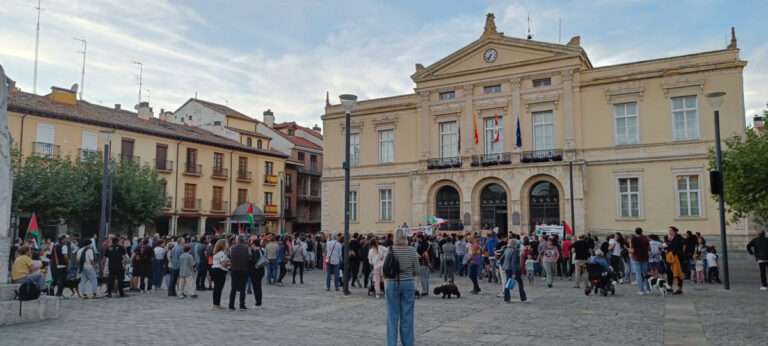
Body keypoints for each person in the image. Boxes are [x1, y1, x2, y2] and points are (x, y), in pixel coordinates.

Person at [384, 228, 419, 346]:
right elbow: (417, 270)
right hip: (408, 283)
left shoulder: (389, 250)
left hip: (391, 283)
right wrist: (408, 275)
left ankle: (391, 343)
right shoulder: (412, 250)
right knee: (407, 315)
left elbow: (385, 269)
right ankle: (408, 343)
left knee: (392, 315)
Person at [228, 235, 249, 310]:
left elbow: (230, 256)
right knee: (243, 289)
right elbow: (250, 257)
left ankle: (231, 305)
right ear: (244, 240)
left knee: (233, 288)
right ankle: (242, 304)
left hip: (234, 269)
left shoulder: (232, 248)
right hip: (244, 270)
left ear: (237, 240)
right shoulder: (247, 248)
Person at [629, 227, 650, 294]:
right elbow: (649, 248)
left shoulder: (633, 239)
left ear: (635, 232)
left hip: (637, 257)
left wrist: (629, 250)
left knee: (638, 274)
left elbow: (632, 250)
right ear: (641, 232)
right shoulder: (645, 238)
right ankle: (648, 289)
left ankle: (641, 290)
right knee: (646, 273)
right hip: (645, 257)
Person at [210, 239, 230, 310]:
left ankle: (216, 304)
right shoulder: (221, 253)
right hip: (219, 271)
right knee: (218, 288)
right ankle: (216, 304)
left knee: (217, 288)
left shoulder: (216, 252)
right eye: (226, 244)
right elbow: (223, 263)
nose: (227, 245)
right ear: (223, 245)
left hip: (215, 270)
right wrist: (230, 263)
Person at [666, 227, 685, 294]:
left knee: (677, 273)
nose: (669, 232)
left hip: (676, 259)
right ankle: (670, 287)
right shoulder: (673, 238)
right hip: (671, 259)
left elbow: (676, 248)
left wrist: (671, 254)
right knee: (669, 272)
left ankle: (680, 289)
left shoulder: (678, 237)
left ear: (674, 231)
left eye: (671, 230)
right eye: (669, 231)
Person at [249, 237, 266, 308]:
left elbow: (254, 262)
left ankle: (258, 303)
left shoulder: (256, 252)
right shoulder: (261, 250)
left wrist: (249, 260)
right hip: (260, 271)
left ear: (255, 244)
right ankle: (259, 302)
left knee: (256, 288)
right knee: (258, 287)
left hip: (256, 272)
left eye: (252, 244)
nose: (251, 245)